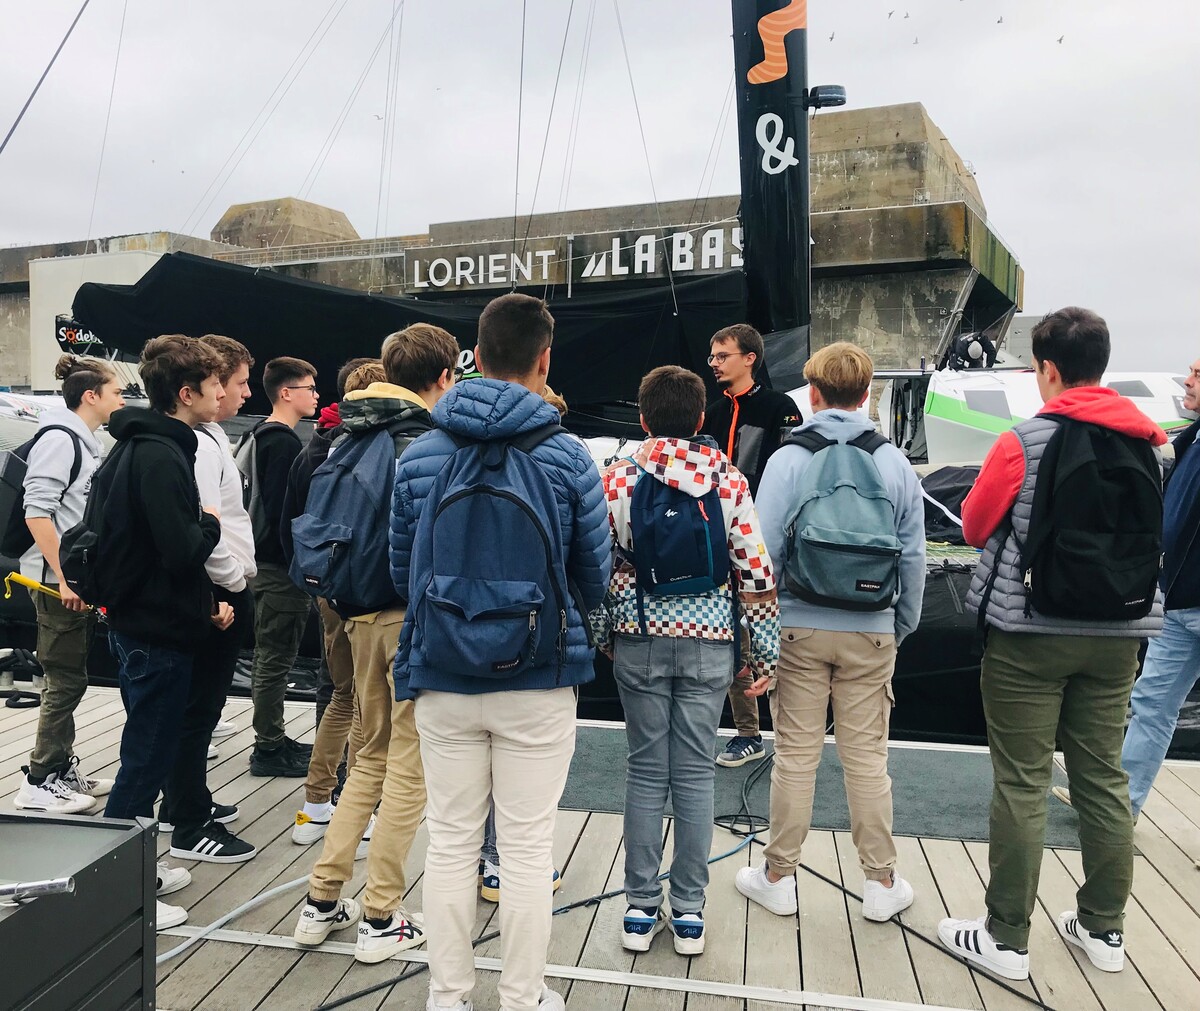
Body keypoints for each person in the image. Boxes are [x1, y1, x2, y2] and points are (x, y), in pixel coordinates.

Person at [390, 293, 610, 1011]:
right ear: (544, 361)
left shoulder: (421, 451)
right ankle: (523, 996)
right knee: (524, 847)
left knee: (451, 840)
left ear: (473, 358)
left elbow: (403, 571)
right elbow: (592, 574)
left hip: (442, 671)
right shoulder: (568, 455)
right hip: (537, 671)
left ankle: (448, 995)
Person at [939, 307, 1166, 979]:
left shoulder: (1025, 440)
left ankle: (1006, 936)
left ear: (1049, 369)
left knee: (1022, 781)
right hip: (1120, 634)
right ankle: (1104, 929)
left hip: (1031, 632)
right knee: (1103, 778)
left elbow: (978, 526)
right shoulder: (1153, 443)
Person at [593, 365, 780, 956]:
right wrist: (763, 653)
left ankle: (640, 909)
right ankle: (691, 913)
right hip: (710, 644)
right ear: (703, 418)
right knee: (696, 774)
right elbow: (756, 575)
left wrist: (605, 634)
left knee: (646, 771)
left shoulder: (616, 477)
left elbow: (594, 565)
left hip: (639, 636)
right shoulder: (728, 479)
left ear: (642, 418)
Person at [739, 342, 925, 923]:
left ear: (813, 393)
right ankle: (881, 882)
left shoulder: (789, 458)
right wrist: (899, 623)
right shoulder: (893, 461)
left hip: (797, 625)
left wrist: (760, 639)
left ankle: (777, 877)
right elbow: (914, 555)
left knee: (795, 756)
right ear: (865, 393)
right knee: (866, 758)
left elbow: (760, 553)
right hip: (871, 630)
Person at [292, 325, 458, 964]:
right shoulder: (423, 440)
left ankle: (322, 899)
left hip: (354, 615)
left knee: (368, 756)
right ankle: (383, 914)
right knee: (409, 769)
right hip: (407, 618)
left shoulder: (345, 435)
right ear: (443, 378)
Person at [99, 335, 230, 932]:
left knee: (146, 750)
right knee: (145, 760)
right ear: (186, 393)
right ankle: (118, 892)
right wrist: (207, 523)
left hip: (141, 622)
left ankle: (135, 868)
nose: (225, 393)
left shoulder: (138, 446)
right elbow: (179, 550)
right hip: (155, 631)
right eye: (215, 384)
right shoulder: (159, 454)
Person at [1053, 353, 1200, 821]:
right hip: (1176, 602)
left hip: (1184, 596)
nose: (1188, 379)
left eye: (1199, 374)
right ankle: (1120, 810)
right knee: (1151, 705)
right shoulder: (1190, 441)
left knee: (1152, 706)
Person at [158, 334, 258, 864]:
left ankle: (187, 799)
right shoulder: (194, 446)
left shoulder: (213, 436)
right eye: (233, 382)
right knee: (196, 708)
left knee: (202, 706)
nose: (240, 394)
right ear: (202, 387)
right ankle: (187, 821)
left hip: (226, 579)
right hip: (218, 585)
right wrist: (235, 580)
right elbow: (205, 524)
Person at [15, 356, 124, 814]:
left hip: (72, 578)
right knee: (63, 680)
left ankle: (59, 767)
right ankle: (39, 779)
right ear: (91, 396)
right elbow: (36, 511)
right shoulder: (61, 440)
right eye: (117, 392)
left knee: (73, 676)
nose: (122, 399)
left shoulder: (83, 439)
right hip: (55, 582)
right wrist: (65, 576)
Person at [283, 358, 382, 843]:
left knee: (340, 697)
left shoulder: (314, 451)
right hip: (366, 592)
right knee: (366, 703)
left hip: (326, 590)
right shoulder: (377, 451)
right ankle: (355, 812)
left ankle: (314, 805)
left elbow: (291, 527)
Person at [700, 324, 800, 768]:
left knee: (760, 634)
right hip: (713, 539)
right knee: (728, 637)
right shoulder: (708, 412)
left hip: (763, 538)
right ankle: (748, 733)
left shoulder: (781, 409)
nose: (715, 363)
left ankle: (778, 732)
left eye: (723, 356)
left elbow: (792, 476)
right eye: (713, 357)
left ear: (749, 358)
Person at [242, 356, 320, 777]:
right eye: (310, 388)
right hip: (277, 567)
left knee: (271, 656)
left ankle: (272, 736)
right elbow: (282, 512)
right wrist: (301, 564)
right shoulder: (283, 443)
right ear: (286, 393)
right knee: (275, 658)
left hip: (260, 561)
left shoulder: (257, 434)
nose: (316, 395)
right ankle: (268, 746)